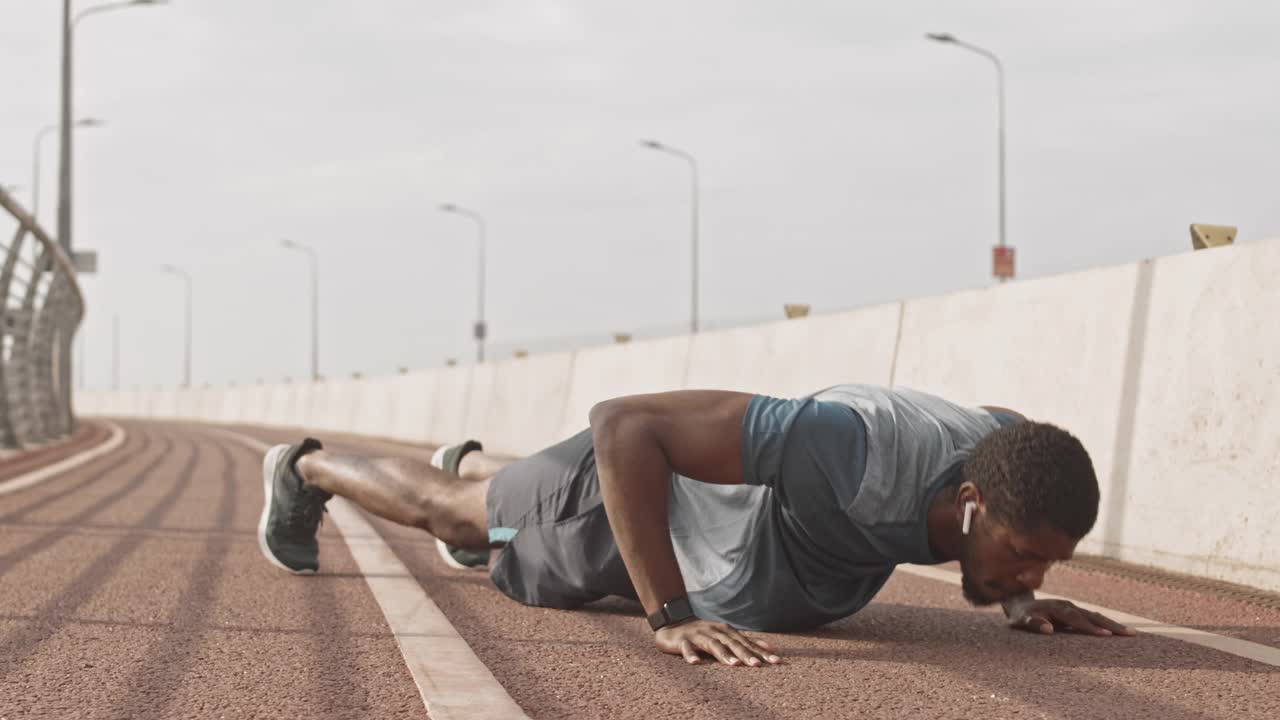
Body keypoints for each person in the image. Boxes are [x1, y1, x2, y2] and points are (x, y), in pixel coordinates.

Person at [256, 383, 1135, 667]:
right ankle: (303, 467)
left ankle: (488, 476)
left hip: (719, 540)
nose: (1035, 574)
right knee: (449, 519)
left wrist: (1016, 595)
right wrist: (671, 617)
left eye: (1049, 565)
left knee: (496, 514)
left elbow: (1003, 424)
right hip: (613, 512)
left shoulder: (998, 458)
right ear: (973, 504)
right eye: (1025, 557)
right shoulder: (848, 447)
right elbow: (624, 427)